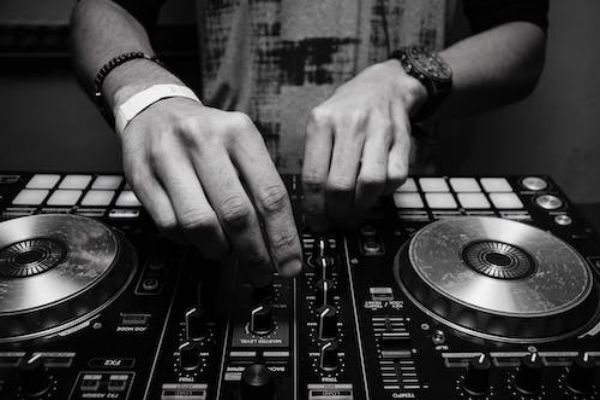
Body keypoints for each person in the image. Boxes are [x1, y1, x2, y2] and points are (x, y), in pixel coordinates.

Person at [71, 0, 549, 287]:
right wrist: (145, 93)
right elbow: (102, 6)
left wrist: (408, 77)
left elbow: (523, 37)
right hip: (210, 202)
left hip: (399, 203)